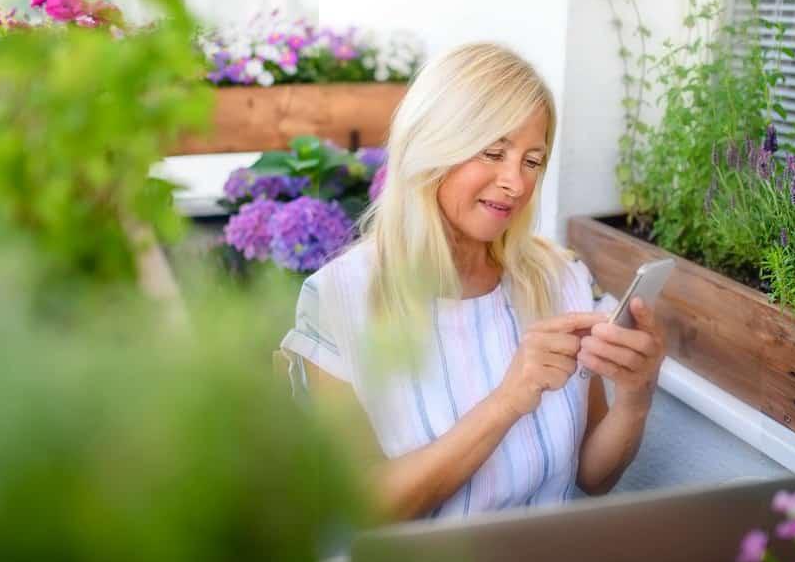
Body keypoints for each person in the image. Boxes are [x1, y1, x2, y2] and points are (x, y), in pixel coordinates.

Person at [281, 42, 665, 523]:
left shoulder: (559, 278)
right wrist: (508, 399)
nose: (516, 183)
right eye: (493, 152)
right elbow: (366, 509)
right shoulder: (339, 300)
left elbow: (593, 477)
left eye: (532, 160)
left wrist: (636, 398)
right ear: (432, 149)